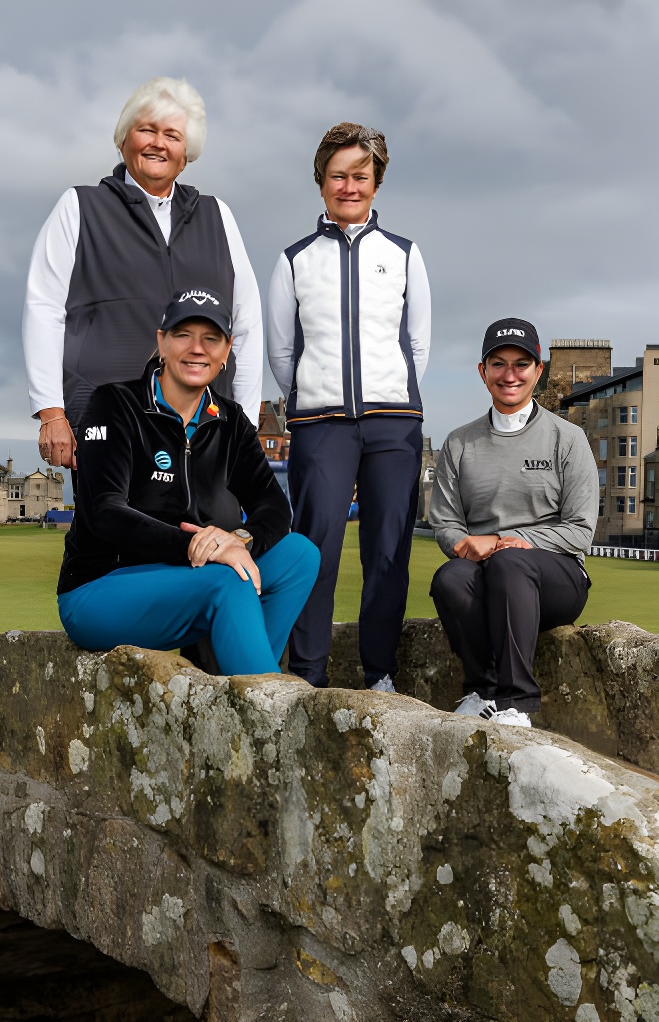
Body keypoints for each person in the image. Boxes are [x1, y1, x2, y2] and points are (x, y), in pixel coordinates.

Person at [56, 288, 319, 676]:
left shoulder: (229, 420)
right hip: (100, 588)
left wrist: (240, 540)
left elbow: (273, 506)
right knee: (229, 579)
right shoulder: (115, 403)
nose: (197, 349)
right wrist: (199, 546)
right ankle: (263, 711)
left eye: (211, 338)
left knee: (299, 555)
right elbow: (104, 512)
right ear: (161, 341)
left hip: (188, 579)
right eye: (183, 335)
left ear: (227, 350)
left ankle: (231, 678)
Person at [23, 77, 262, 470]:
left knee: (205, 532)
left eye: (172, 135)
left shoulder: (217, 215)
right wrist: (51, 412)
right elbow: (43, 308)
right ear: (123, 140)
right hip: (108, 419)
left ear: (187, 153)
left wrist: (247, 423)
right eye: (146, 129)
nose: (158, 143)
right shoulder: (79, 207)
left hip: (205, 426)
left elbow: (247, 323)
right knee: (114, 530)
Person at [266, 122, 431, 691]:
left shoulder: (404, 255)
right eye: (338, 175)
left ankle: (379, 673)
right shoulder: (294, 260)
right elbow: (282, 351)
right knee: (316, 551)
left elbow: (417, 345)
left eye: (360, 175)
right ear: (321, 183)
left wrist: (391, 398)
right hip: (321, 423)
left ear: (376, 182)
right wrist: (314, 399)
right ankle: (307, 675)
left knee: (388, 550)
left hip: (394, 424)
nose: (349, 186)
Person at [427, 319, 596, 727]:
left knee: (509, 562)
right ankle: (481, 690)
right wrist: (464, 546)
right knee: (449, 578)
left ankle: (517, 701)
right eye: (499, 364)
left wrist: (503, 540)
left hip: (556, 578)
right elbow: (446, 522)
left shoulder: (567, 438)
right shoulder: (459, 442)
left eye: (522, 364)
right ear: (483, 372)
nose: (510, 375)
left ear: (539, 371)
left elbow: (580, 529)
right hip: (486, 573)